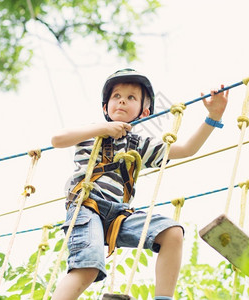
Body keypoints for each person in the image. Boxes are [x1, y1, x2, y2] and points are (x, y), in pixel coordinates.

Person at [50, 68, 228, 300]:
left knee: (172, 233)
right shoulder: (91, 133)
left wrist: (212, 118)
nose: (122, 100)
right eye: (116, 96)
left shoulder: (139, 145)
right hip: (87, 207)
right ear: (106, 108)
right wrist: (103, 128)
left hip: (118, 215)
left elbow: (186, 149)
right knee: (88, 266)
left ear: (143, 112)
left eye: (131, 97)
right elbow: (57, 139)